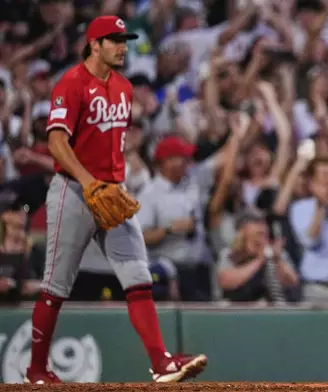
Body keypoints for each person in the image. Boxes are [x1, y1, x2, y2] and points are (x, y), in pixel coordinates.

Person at [25, 16, 207, 384]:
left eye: (124, 39)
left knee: (139, 276)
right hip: (73, 191)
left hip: (111, 193)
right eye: (113, 40)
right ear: (93, 44)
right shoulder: (71, 83)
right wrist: (89, 181)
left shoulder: (123, 87)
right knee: (55, 287)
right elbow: (57, 143)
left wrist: (112, 183)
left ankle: (161, 362)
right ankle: (36, 369)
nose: (122, 46)